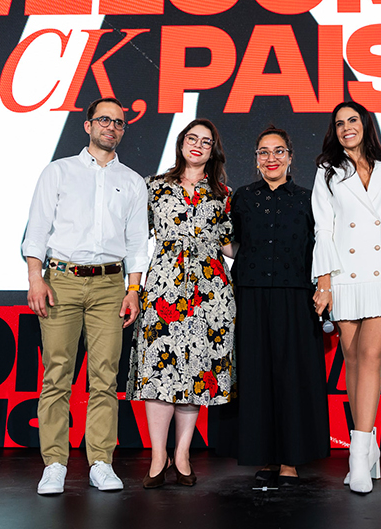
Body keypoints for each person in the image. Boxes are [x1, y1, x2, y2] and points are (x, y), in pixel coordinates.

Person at [21, 97, 148, 495]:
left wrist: (133, 290)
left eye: (119, 122)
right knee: (57, 374)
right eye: (104, 120)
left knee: (105, 377)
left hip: (110, 285)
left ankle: (101, 462)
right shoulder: (58, 172)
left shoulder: (132, 181)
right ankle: (54, 464)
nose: (112, 127)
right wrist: (35, 278)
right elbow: (37, 230)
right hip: (61, 281)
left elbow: (137, 243)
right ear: (88, 125)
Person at [126, 118, 236, 488]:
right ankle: (159, 456)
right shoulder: (154, 187)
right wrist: (133, 287)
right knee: (159, 373)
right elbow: (136, 240)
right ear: (181, 142)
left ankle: (183, 454)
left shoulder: (222, 193)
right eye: (193, 138)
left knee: (196, 373)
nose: (198, 145)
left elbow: (229, 245)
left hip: (211, 293)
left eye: (206, 141)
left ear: (213, 150)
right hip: (163, 290)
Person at [222, 125, 330, 486]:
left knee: (292, 378)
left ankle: (290, 460)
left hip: (295, 296)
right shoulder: (242, 197)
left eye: (278, 151)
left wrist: (323, 287)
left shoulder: (307, 199)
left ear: (290, 157)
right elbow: (232, 243)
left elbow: (320, 247)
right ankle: (264, 456)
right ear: (256, 160)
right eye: (264, 152)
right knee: (256, 377)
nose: (272, 158)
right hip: (250, 295)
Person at [311, 101, 381, 494]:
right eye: (339, 123)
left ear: (366, 124)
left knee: (370, 357)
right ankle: (370, 449)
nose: (346, 127)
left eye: (352, 120)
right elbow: (323, 228)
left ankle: (357, 456)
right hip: (343, 275)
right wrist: (324, 282)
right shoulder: (328, 171)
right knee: (351, 361)